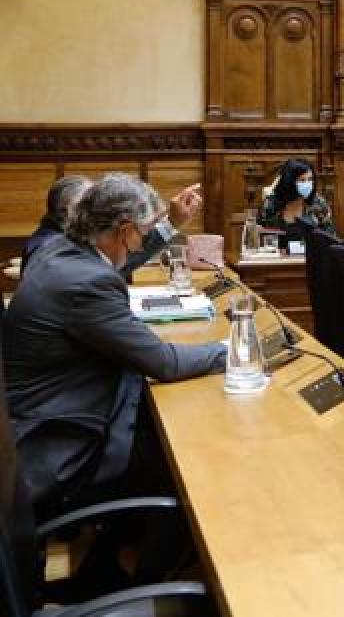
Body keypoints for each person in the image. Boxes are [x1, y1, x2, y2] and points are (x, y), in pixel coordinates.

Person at [3, 173, 227, 516]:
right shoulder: (87, 284)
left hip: (35, 424)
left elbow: (115, 262)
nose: (145, 239)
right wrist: (232, 349)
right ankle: (120, 568)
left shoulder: (62, 251)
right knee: (191, 469)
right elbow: (164, 363)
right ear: (124, 229)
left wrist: (171, 224)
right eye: (146, 230)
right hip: (61, 447)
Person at [21, 176, 204, 276]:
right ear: (67, 211)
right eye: (87, 203)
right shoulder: (48, 248)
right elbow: (109, 268)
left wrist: (172, 222)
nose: (95, 207)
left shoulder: (65, 241)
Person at [258, 158, 337, 238]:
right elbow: (259, 234)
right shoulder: (271, 203)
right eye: (302, 180)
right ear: (289, 182)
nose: (307, 184)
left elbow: (330, 238)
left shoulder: (319, 204)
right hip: (275, 250)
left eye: (310, 179)